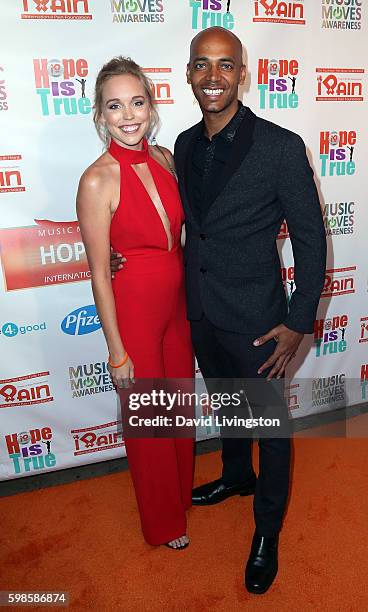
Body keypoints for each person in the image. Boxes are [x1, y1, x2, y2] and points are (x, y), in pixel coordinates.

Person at [111, 27, 326, 594]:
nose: (212, 76)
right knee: (229, 405)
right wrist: (114, 251)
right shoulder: (181, 144)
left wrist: (300, 321)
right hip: (200, 310)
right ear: (187, 74)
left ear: (241, 74)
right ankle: (236, 475)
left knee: (269, 427)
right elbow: (161, 214)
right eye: (201, 65)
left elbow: (310, 239)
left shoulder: (281, 146)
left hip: (259, 318)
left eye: (224, 65)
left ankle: (267, 531)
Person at [77, 56, 194, 550]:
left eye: (137, 102)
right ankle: (162, 524)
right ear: (101, 115)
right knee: (149, 422)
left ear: (151, 105)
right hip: (136, 311)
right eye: (115, 106)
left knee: (178, 407)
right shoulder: (97, 179)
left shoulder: (165, 159)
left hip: (178, 306)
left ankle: (180, 498)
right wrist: (116, 350)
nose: (129, 115)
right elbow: (100, 273)